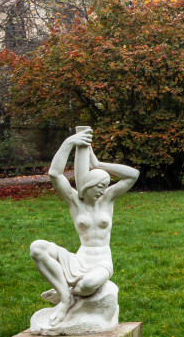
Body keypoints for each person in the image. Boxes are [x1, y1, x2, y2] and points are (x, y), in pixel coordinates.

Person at [30, 127, 139, 326]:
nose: (102, 192)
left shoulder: (108, 199)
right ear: (88, 185)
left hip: (102, 262)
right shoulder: (74, 200)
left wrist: (97, 164)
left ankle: (68, 292)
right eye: (98, 187)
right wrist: (70, 142)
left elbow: (133, 175)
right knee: (37, 247)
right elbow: (55, 174)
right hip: (81, 258)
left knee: (88, 284)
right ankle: (65, 298)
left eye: (105, 187)